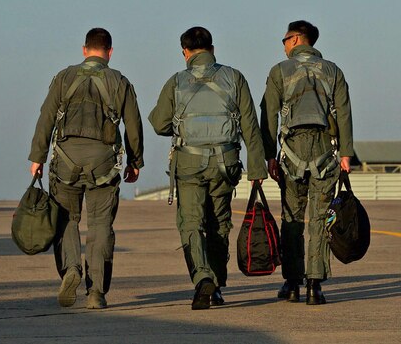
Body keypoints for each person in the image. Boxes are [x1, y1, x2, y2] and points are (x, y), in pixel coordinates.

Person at [149, 26, 269, 310]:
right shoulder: (234, 77)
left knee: (191, 223)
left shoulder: (176, 81)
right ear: (212, 49)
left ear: (185, 53)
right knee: (219, 223)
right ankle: (216, 286)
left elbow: (158, 123)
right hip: (225, 164)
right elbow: (250, 126)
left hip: (189, 163)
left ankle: (202, 276)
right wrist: (256, 170)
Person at [28, 27, 144, 310]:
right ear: (110, 52)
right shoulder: (120, 81)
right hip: (103, 163)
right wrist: (135, 161)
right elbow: (133, 125)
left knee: (66, 220)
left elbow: (46, 119)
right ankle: (96, 293)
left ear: (84, 50)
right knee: (101, 225)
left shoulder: (63, 77)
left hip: (66, 161)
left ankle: (71, 270)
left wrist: (37, 158)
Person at [262, 20, 354, 305]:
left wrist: (268, 156)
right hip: (325, 150)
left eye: (285, 39)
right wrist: (347, 153)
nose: (283, 44)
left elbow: (269, 115)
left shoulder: (280, 70)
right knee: (318, 218)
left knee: (291, 217)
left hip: (291, 150)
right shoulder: (333, 71)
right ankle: (315, 285)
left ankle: (292, 283)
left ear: (297, 40)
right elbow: (344, 113)